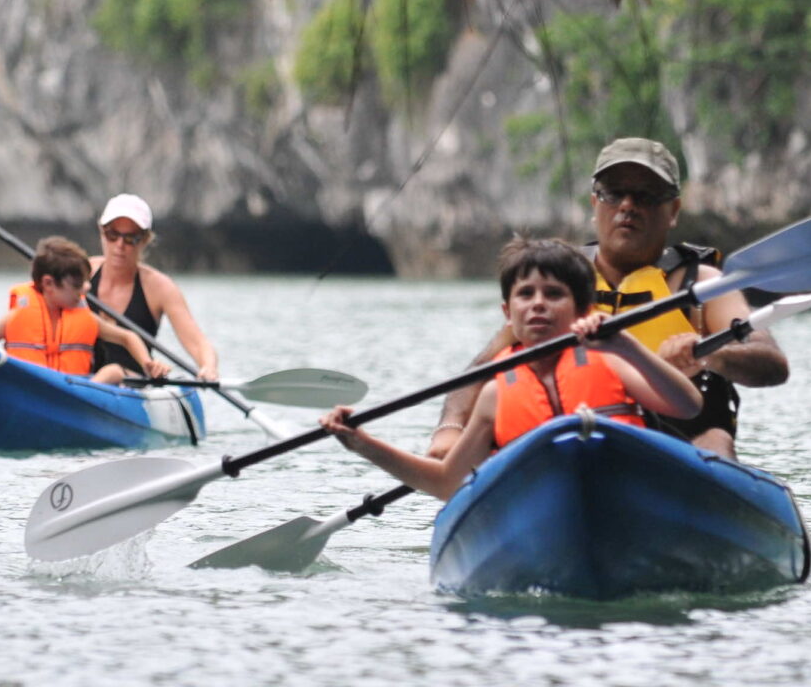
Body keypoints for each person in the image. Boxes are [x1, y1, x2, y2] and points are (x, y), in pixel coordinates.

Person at [425, 138, 785, 461]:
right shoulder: (557, 282)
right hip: (577, 436)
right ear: (595, 203)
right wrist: (450, 429)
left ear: (673, 211)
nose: (628, 205)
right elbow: (484, 367)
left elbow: (771, 363)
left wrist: (710, 354)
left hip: (681, 443)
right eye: (614, 193)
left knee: (716, 440)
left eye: (646, 196)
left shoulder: (702, 284)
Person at [320, 237, 703, 499]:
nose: (538, 304)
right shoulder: (494, 393)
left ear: (583, 311)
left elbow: (688, 406)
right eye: (525, 294)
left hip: (619, 493)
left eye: (554, 294)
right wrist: (363, 444)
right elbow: (446, 483)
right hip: (538, 504)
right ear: (508, 312)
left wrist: (626, 345)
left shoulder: (612, 358)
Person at [0, 236, 148, 385]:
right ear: (48, 284)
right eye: (77, 284)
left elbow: (128, 337)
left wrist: (148, 363)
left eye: (85, 282)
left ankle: (81, 397)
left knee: (114, 371)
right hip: (29, 389)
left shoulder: (87, 318)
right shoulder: (14, 318)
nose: (86, 289)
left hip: (75, 392)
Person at [85, 193, 223, 383]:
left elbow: (197, 342)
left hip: (133, 383)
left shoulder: (160, 288)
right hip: (79, 376)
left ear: (144, 240)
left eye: (130, 238)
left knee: (113, 371)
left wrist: (208, 368)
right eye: (112, 235)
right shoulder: (81, 272)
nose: (119, 245)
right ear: (102, 232)